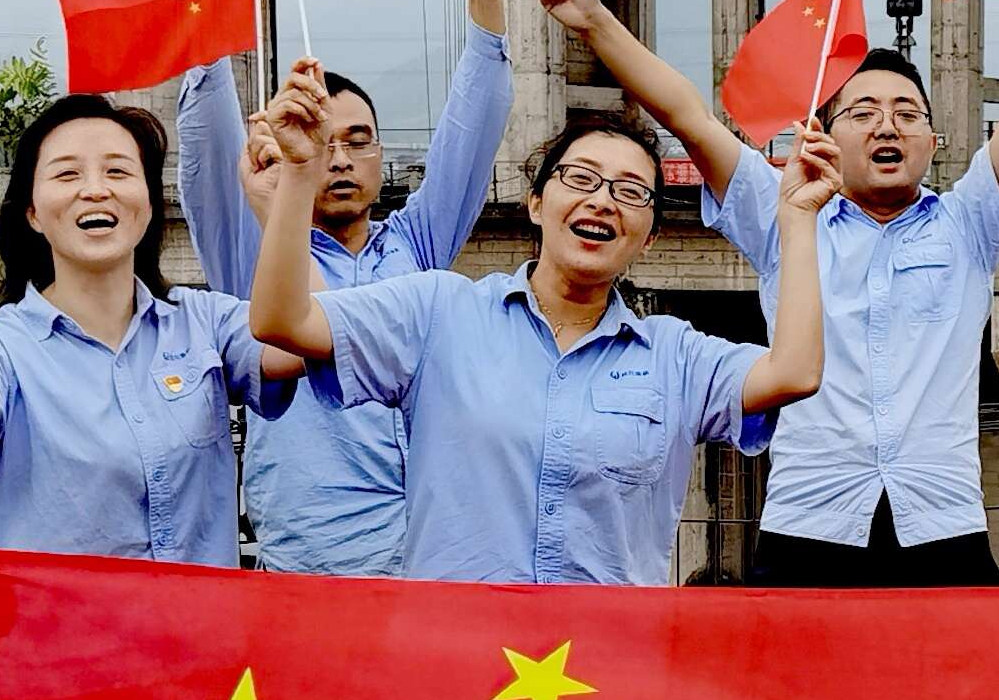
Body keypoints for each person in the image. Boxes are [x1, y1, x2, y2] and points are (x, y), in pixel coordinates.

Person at [536, 0, 999, 586]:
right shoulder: (787, 215)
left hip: (944, 529)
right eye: (864, 112)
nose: (887, 125)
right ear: (825, 134)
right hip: (809, 528)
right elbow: (689, 118)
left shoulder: (967, 224)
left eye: (907, 113)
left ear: (933, 140)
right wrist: (595, 21)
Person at [243, 69, 838, 584]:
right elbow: (283, 320)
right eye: (580, 178)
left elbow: (794, 371)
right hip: (456, 654)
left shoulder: (673, 356)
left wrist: (796, 221)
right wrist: (296, 175)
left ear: (650, 236)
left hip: (608, 658)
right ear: (535, 203)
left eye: (631, 191)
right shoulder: (440, 313)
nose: (602, 201)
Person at [176, 0, 521, 574]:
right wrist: (206, 9)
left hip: (429, 563)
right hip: (313, 574)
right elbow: (208, 150)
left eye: (358, 143)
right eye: (322, 142)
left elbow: (470, 139)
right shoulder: (259, 251)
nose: (338, 160)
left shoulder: (414, 248)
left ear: (382, 156)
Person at [0, 95, 298, 560]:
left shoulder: (203, 320)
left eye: (118, 171)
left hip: (203, 609)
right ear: (32, 212)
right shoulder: (0, 344)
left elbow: (302, 342)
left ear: (148, 203)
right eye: (67, 174)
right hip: (60, 611)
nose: (95, 189)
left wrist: (283, 200)